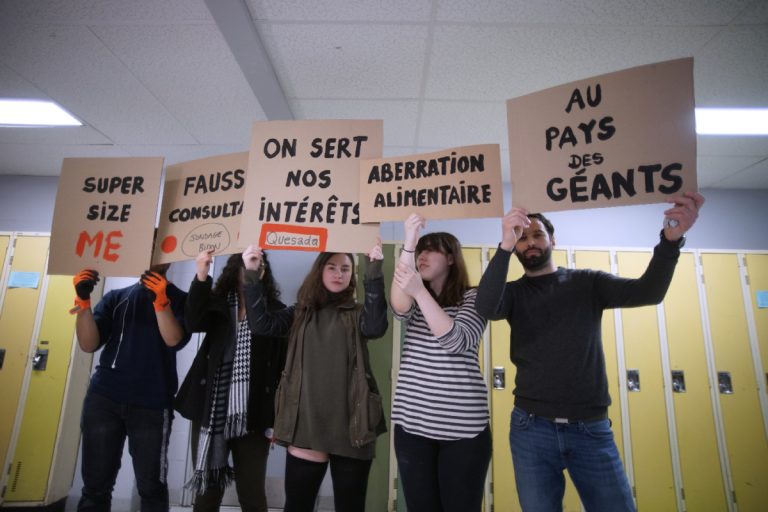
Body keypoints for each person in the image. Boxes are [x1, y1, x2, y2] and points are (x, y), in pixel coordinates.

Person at [473, 191, 704, 512]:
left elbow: (649, 292)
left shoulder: (588, 283)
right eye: (522, 238)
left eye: (537, 234)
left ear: (552, 239)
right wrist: (504, 244)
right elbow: (485, 306)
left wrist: (670, 242)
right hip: (531, 429)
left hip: (590, 430)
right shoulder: (513, 294)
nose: (530, 243)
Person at [240, 242, 388, 512]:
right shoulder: (300, 312)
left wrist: (374, 269)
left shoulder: (357, 315)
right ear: (320, 271)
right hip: (306, 424)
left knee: (350, 507)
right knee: (297, 506)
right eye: (332, 267)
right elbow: (262, 325)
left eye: (345, 269)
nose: (339, 274)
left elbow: (377, 326)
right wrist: (251, 274)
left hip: (352, 428)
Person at [389, 214, 491, 512]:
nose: (422, 255)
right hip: (413, 428)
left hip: (463, 434)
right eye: (420, 250)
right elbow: (398, 306)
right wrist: (409, 238)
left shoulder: (473, 297)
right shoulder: (414, 302)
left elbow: (456, 341)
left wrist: (420, 291)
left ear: (450, 258)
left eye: (429, 249)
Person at [72, 263, 190, 512]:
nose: (150, 256)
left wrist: (161, 302)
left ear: (169, 260)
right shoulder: (116, 297)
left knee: (151, 488)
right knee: (94, 487)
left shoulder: (181, 300)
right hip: (105, 399)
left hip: (153, 403)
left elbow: (174, 339)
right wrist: (83, 302)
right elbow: (88, 343)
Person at [175, 249, 286, 512]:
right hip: (211, 409)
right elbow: (192, 321)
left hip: (254, 414)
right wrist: (201, 274)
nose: (253, 267)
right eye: (246, 263)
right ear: (235, 270)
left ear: (263, 272)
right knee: (207, 492)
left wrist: (278, 418)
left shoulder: (276, 311)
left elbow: (282, 370)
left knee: (251, 491)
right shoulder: (217, 304)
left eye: (258, 263)